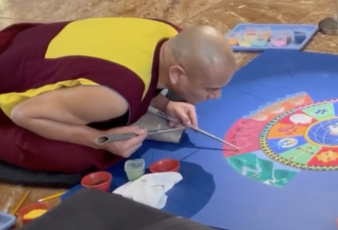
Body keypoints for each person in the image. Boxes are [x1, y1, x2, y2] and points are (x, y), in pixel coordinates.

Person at [0, 17, 237, 174]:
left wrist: (165, 104)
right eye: (210, 88)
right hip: (9, 80)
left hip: (33, 42)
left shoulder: (169, 33)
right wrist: (99, 139)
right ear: (177, 74)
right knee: (81, 157)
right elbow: (25, 114)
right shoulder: (115, 99)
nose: (217, 96)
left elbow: (146, 66)